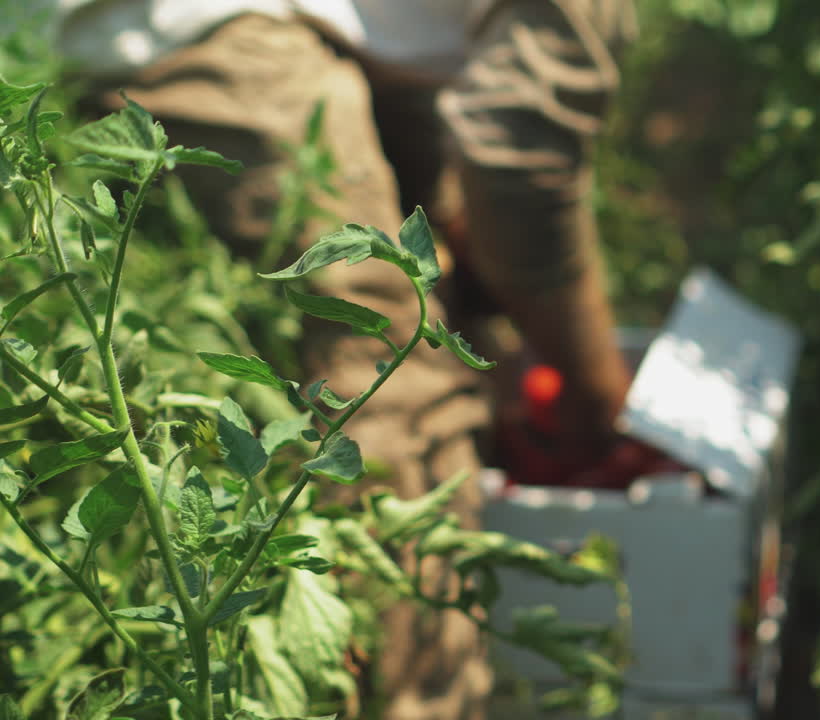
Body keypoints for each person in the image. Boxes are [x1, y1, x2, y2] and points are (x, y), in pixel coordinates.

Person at [52, 1, 637, 718]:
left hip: (217, 28)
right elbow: (520, 168)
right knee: (396, 388)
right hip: (218, 32)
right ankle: (422, 699)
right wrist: (592, 386)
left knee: (401, 326)